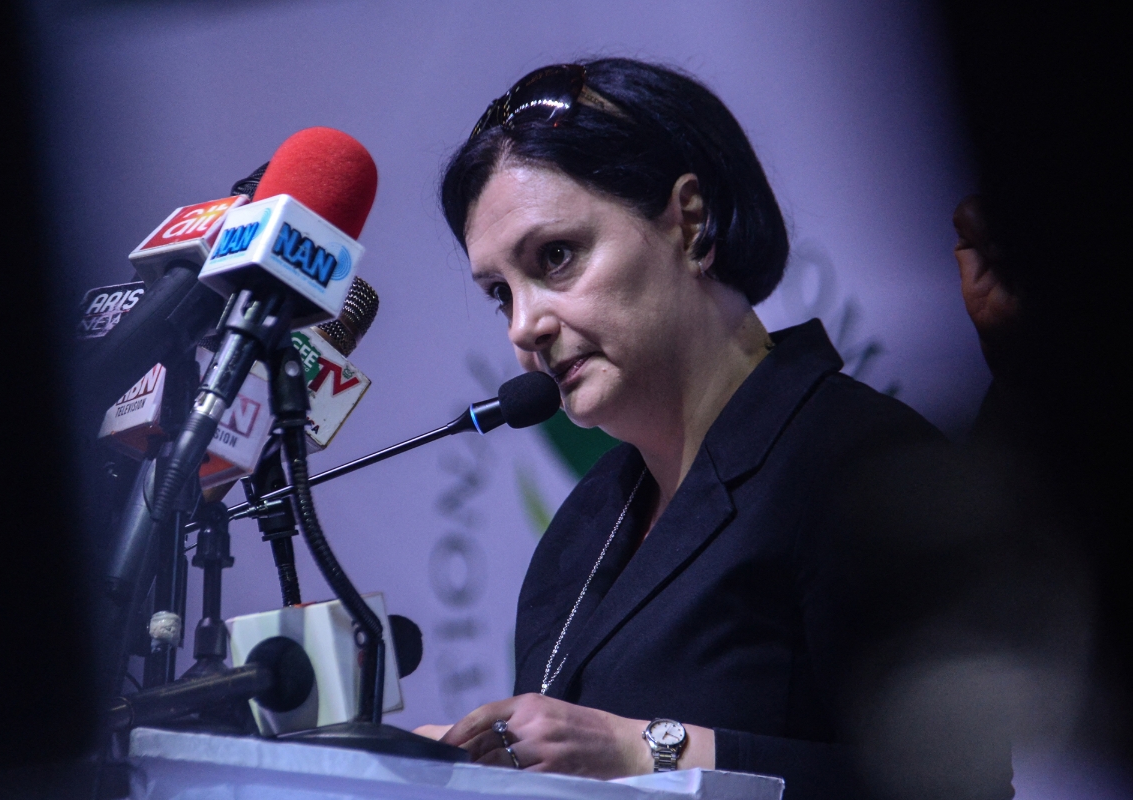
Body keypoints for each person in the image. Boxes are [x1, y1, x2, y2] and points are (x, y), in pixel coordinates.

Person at [415, 58, 1012, 800]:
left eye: (556, 257)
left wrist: (649, 752)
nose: (525, 325)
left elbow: (961, 787)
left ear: (689, 222)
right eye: (500, 293)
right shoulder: (580, 529)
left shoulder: (858, 461)